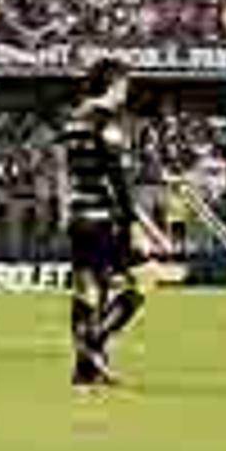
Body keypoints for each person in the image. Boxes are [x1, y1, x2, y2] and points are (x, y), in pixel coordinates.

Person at [61, 59, 145, 391]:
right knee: (137, 285)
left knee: (85, 291)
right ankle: (94, 343)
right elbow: (117, 177)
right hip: (103, 217)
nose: (127, 90)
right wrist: (132, 222)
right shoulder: (106, 123)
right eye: (125, 83)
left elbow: (68, 169)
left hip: (78, 214)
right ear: (113, 84)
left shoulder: (73, 120)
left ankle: (83, 375)